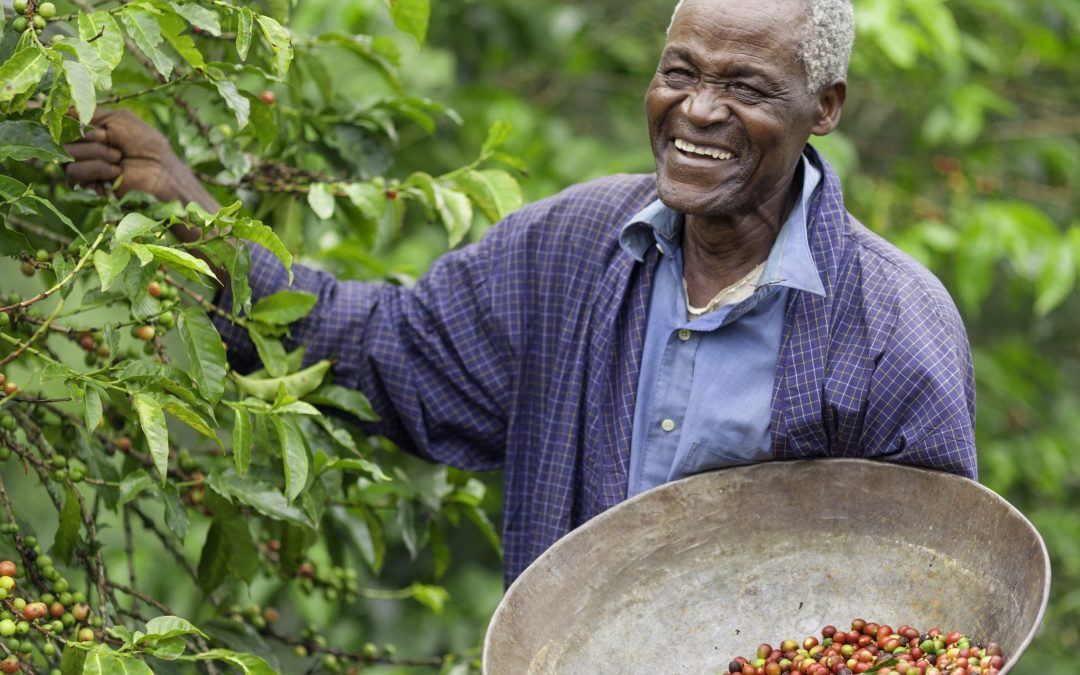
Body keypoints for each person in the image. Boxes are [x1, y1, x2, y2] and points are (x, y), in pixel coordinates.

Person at [65, 0, 976, 585]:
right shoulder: (573, 247)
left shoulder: (894, 325)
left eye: (745, 85)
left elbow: (937, 596)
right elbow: (387, 350)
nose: (699, 110)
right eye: (680, 72)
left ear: (826, 107)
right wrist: (199, 221)